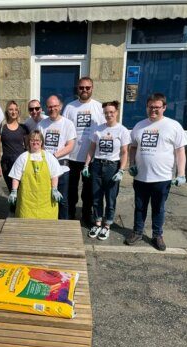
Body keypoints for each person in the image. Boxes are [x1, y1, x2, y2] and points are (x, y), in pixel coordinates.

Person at [126, 93, 187, 251]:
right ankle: (138, 232)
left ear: (164, 108)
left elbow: (180, 152)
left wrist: (181, 174)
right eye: (150, 107)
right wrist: (131, 164)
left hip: (162, 177)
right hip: (141, 176)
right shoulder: (139, 126)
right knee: (140, 207)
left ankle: (157, 235)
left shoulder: (173, 126)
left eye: (157, 107)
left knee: (158, 208)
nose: (153, 110)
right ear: (147, 107)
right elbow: (132, 147)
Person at [83, 101, 130, 240]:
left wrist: (121, 170)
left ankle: (107, 225)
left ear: (116, 112)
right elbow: (91, 149)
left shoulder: (122, 130)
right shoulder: (98, 129)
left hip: (112, 166)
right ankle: (97, 223)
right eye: (106, 112)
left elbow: (124, 152)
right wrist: (86, 165)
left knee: (110, 198)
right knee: (96, 197)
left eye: (111, 112)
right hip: (97, 165)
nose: (109, 114)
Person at [63, 77, 105, 224]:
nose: (84, 90)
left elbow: (105, 130)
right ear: (77, 89)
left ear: (92, 88)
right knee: (71, 189)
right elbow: (64, 130)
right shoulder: (70, 107)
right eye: (81, 87)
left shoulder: (99, 107)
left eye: (87, 87)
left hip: (91, 158)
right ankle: (70, 213)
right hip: (72, 156)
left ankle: (86, 215)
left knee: (88, 191)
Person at [8, 130, 63, 219]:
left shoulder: (49, 157)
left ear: (41, 142)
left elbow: (54, 175)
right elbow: (16, 176)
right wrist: (14, 191)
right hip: (27, 201)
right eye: (32, 140)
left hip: (46, 201)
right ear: (29, 142)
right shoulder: (23, 157)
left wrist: (55, 189)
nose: (35, 142)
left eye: (37, 140)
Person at [38, 95, 77, 220]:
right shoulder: (42, 124)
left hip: (62, 167)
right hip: (45, 167)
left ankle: (63, 224)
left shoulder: (68, 124)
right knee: (46, 196)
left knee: (62, 199)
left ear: (60, 107)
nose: (52, 109)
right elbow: (39, 144)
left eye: (55, 106)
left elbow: (70, 145)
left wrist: (54, 156)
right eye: (49, 106)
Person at [0, 101, 29, 193]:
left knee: (22, 190)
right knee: (12, 190)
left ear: (18, 112)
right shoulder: (1, 128)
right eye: (11, 109)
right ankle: (13, 207)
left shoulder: (23, 128)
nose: (13, 112)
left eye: (16, 110)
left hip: (21, 163)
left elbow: (28, 147)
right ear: (7, 112)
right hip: (7, 164)